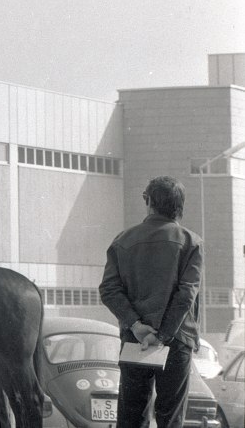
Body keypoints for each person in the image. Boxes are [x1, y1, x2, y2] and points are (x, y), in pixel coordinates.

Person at [99, 176, 203, 428]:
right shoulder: (191, 242)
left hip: (136, 341)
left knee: (131, 416)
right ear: (180, 205)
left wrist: (137, 326)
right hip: (176, 341)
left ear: (148, 202)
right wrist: (163, 335)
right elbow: (186, 294)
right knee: (170, 417)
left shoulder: (122, 240)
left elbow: (109, 289)